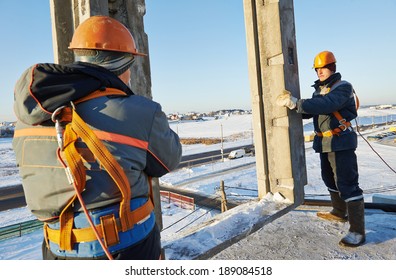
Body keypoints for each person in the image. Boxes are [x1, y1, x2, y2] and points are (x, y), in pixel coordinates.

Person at [12, 15, 182, 259]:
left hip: (56, 250)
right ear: (123, 64)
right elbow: (169, 160)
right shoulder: (141, 111)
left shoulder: (26, 116)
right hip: (124, 248)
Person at [276, 50, 365, 247]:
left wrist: (297, 103)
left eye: (323, 67)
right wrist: (292, 107)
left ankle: (358, 231)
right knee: (329, 179)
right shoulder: (319, 91)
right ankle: (339, 212)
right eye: (317, 69)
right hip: (325, 143)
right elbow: (315, 109)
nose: (319, 72)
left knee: (347, 183)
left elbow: (327, 104)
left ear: (332, 67)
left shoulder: (343, 87)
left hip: (341, 142)